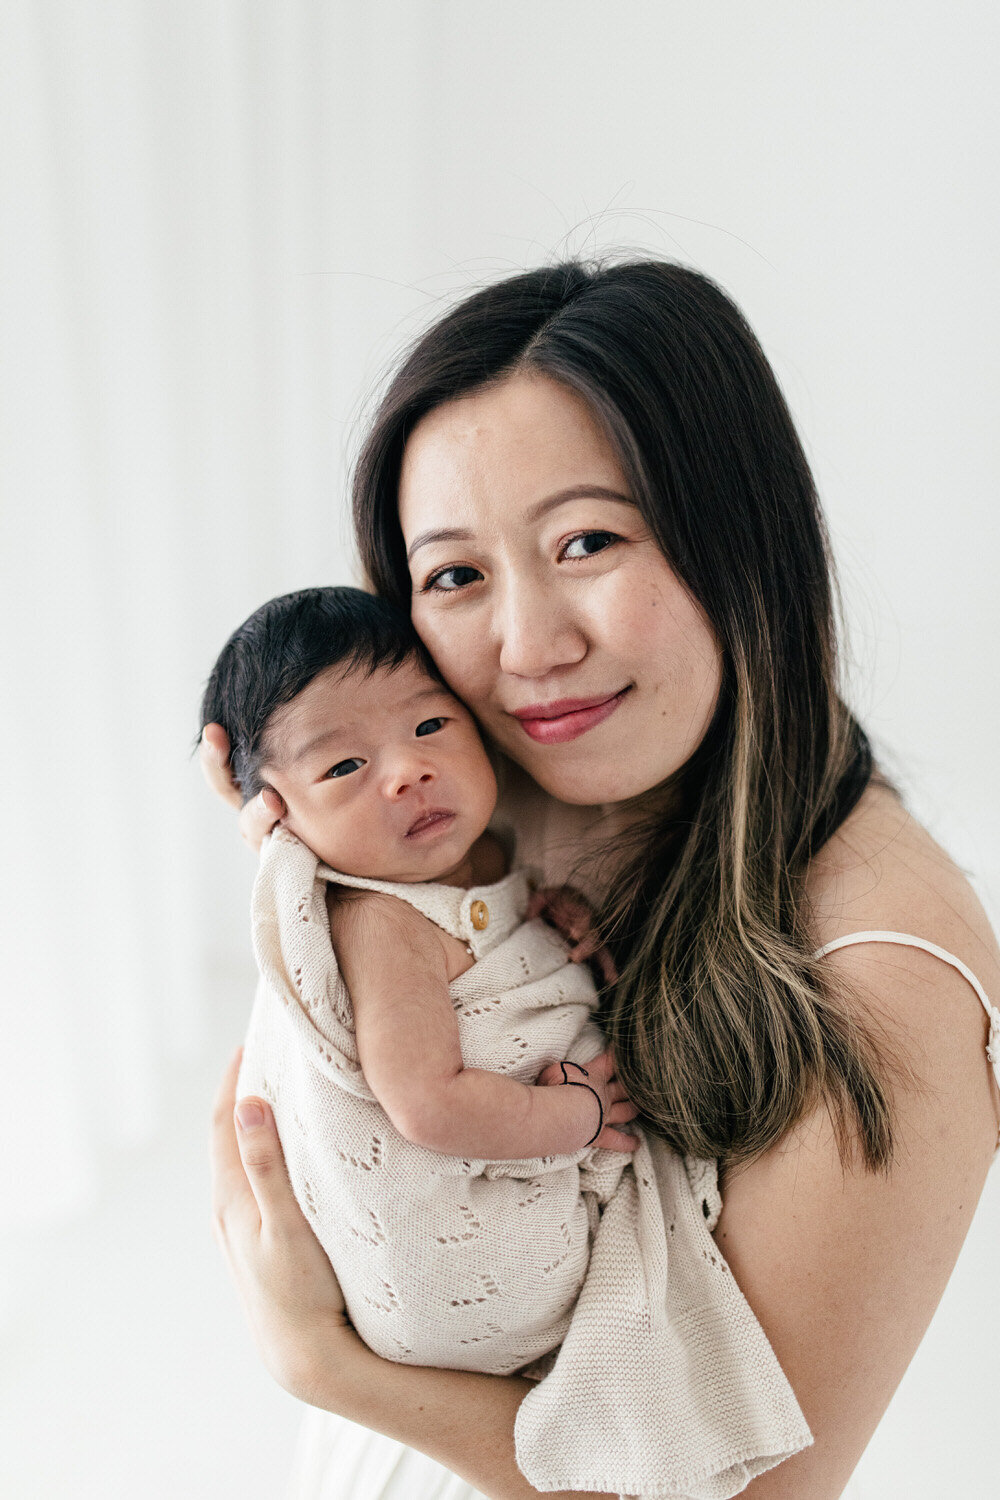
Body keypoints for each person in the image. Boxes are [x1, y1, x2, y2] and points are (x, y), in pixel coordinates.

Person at [203, 258, 1000, 1499]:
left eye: (587, 541)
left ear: (739, 536)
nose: (529, 648)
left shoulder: (884, 975)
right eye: (457, 576)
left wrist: (327, 1364)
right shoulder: (495, 777)